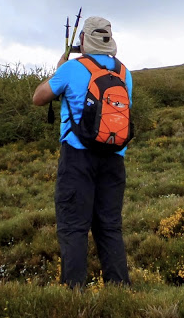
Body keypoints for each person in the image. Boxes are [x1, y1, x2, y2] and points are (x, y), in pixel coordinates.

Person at [33, 16, 132, 288]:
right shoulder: (124, 73)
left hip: (77, 158)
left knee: (73, 228)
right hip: (114, 159)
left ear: (83, 41)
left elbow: (38, 98)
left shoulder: (72, 68)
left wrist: (57, 71)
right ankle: (120, 295)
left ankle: (73, 296)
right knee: (110, 228)